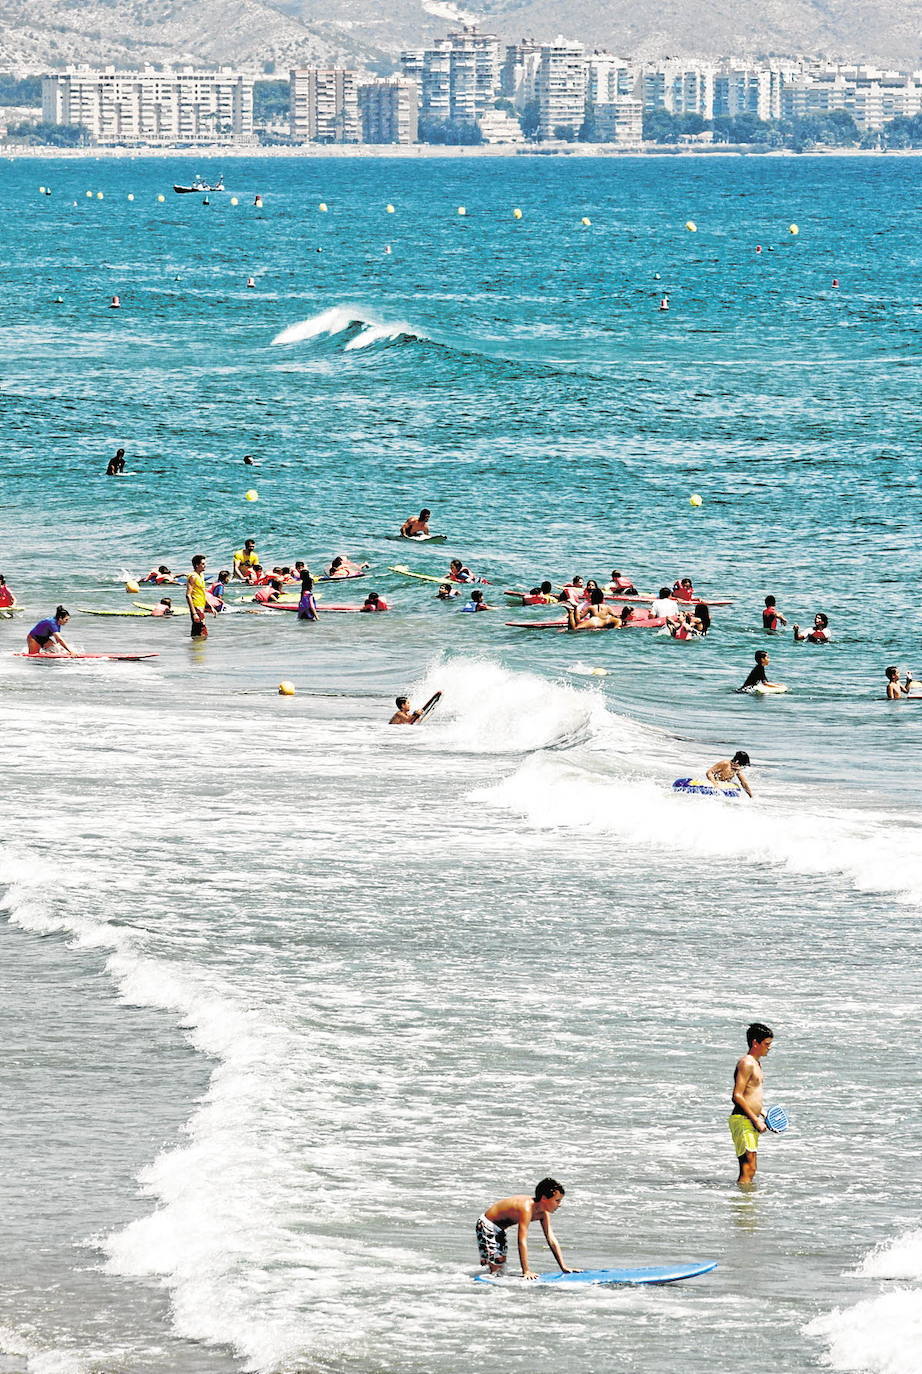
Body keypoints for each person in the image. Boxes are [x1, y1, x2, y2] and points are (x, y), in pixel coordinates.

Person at [475, 1178, 576, 1280]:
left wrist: (563, 1267)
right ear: (544, 1198)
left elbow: (551, 1239)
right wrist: (526, 1271)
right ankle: (479, 1285)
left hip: (499, 1230)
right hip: (486, 1225)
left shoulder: (544, 1213)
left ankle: (486, 1277)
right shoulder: (527, 1208)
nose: (559, 1205)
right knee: (495, 1268)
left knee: (500, 1266)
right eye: (557, 1200)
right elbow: (521, 1241)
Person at [729, 1022, 774, 1185]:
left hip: (751, 1119)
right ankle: (742, 1206)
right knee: (747, 1167)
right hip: (743, 1119)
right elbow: (737, 1095)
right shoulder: (746, 1063)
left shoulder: (757, 1063)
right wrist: (755, 1120)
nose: (769, 1047)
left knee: (752, 1168)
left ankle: (745, 1202)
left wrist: (763, 1113)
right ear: (755, 1042)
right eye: (767, 1044)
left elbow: (751, 1095)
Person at [185, 555, 209, 638]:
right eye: (202, 564)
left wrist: (209, 606)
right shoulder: (193, 576)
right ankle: (199, 648)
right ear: (196, 565)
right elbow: (188, 595)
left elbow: (202, 592)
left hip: (201, 606)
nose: (205, 565)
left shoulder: (201, 575)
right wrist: (194, 613)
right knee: (202, 631)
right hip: (196, 607)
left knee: (197, 630)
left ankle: (195, 648)